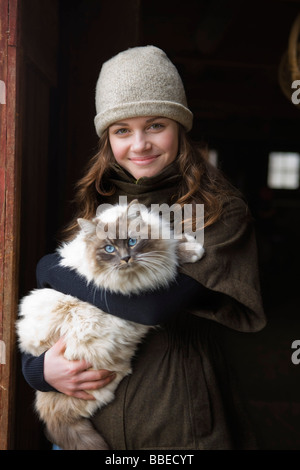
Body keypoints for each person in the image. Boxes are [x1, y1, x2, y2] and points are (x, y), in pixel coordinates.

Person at [21, 45, 266, 450]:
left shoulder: (216, 213)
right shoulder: (99, 204)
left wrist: (47, 266)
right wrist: (39, 371)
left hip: (173, 416)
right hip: (87, 417)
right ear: (108, 140)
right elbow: (60, 308)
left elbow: (150, 306)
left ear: (179, 128)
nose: (140, 144)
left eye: (155, 125)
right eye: (122, 130)